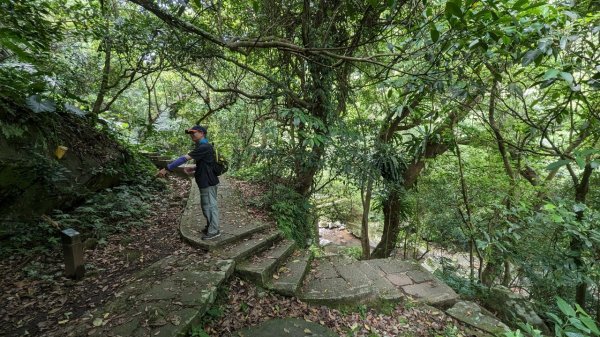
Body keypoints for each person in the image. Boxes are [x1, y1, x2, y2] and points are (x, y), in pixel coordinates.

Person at [158, 125, 220, 240]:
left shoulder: (204, 147)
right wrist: (195, 169)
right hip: (204, 181)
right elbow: (207, 164)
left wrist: (167, 168)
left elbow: (183, 158)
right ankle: (211, 226)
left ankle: (214, 230)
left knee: (210, 206)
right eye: (190, 133)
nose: (191, 135)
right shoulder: (203, 146)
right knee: (206, 206)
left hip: (208, 182)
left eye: (193, 133)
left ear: (202, 133)